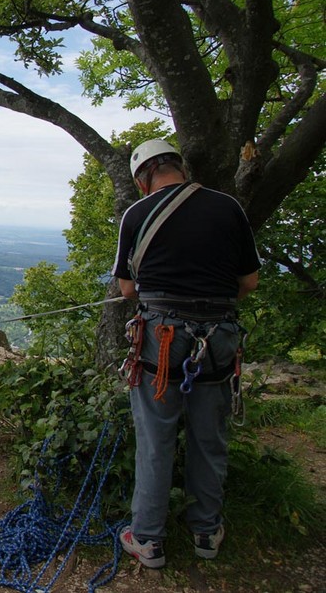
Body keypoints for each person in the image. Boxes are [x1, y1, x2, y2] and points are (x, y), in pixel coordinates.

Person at [112, 139, 261, 568]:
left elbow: (126, 289)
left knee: (156, 439)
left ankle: (148, 540)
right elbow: (248, 283)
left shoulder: (137, 214)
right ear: (179, 167)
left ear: (143, 180)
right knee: (209, 438)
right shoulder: (228, 207)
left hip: (160, 340)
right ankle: (206, 532)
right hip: (217, 338)